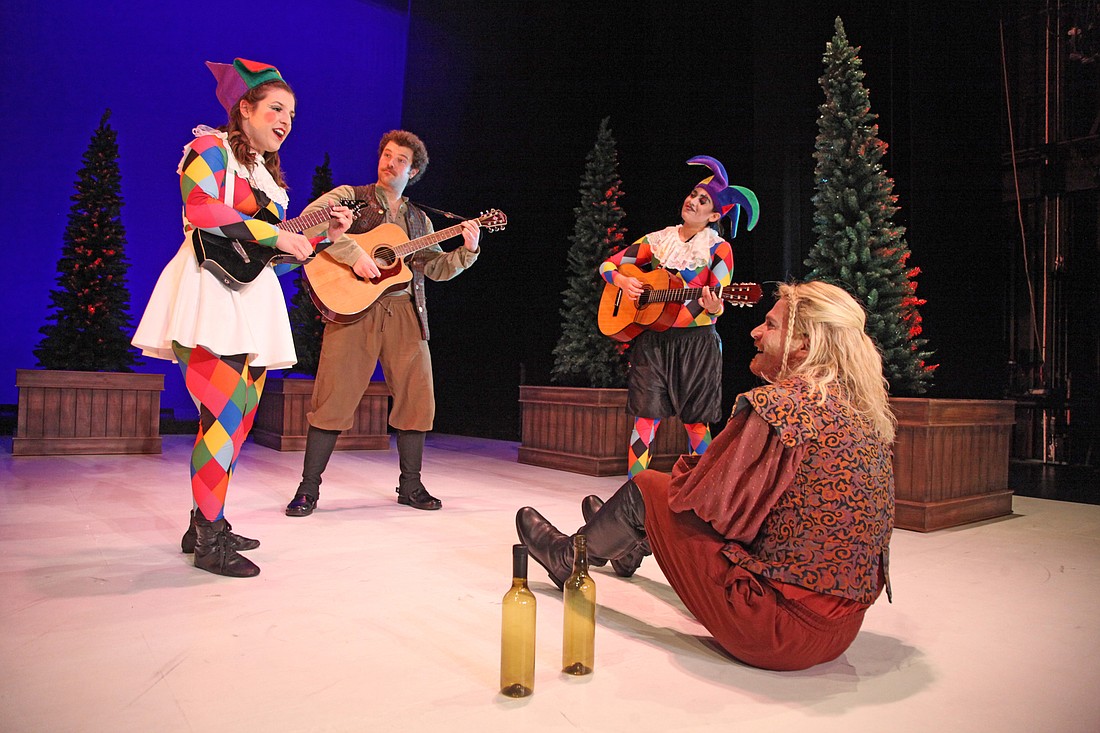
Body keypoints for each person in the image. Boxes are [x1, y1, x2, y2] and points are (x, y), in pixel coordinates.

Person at [517, 281, 896, 671]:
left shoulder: (781, 407)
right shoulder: (862, 416)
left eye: (769, 325)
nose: (755, 332)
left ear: (804, 345)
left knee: (648, 489)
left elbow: (710, 505)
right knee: (662, 498)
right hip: (840, 632)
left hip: (778, 634)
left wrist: (671, 493)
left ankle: (567, 560)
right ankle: (627, 542)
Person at [132, 58, 352, 577]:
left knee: (234, 422)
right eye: (276, 108)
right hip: (207, 294)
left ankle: (204, 522)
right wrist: (279, 235)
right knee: (224, 420)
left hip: (248, 301)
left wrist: (325, 238)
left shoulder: (265, 178)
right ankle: (210, 543)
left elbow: (261, 254)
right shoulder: (210, 149)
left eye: (293, 114)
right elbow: (202, 209)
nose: (286, 120)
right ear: (245, 110)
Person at [283, 130, 481, 518]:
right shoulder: (350, 197)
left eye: (400, 159)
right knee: (332, 396)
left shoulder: (420, 219)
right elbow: (308, 223)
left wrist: (468, 250)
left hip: (405, 312)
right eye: (386, 155)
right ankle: (308, 489)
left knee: (417, 397)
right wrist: (354, 252)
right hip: (355, 309)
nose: (390, 163)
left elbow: (435, 268)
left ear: (415, 170)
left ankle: (411, 486)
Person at [599, 156, 758, 483]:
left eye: (703, 200)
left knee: (696, 423)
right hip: (653, 342)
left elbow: (718, 302)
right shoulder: (656, 241)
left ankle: (701, 494)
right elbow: (607, 266)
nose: (693, 201)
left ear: (714, 215)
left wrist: (714, 306)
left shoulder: (719, 250)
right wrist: (624, 281)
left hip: (696, 345)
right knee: (644, 422)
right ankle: (634, 495)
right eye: (693, 194)